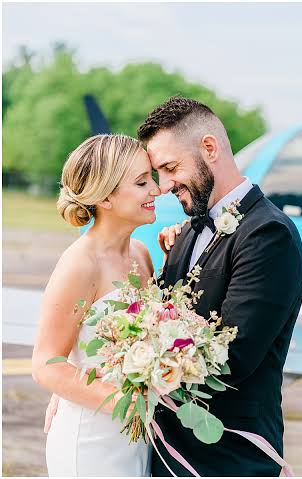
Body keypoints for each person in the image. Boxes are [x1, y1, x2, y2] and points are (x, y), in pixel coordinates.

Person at [138, 96, 302, 476]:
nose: (163, 186)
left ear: (209, 148)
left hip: (228, 456)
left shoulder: (268, 234)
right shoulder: (186, 231)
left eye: (170, 167)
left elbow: (233, 356)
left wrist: (139, 368)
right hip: (165, 451)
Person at [32, 134, 160, 476]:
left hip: (136, 437)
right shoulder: (80, 264)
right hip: (91, 440)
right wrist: (127, 402)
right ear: (105, 196)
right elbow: (46, 363)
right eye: (142, 182)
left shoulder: (142, 255)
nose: (156, 190)